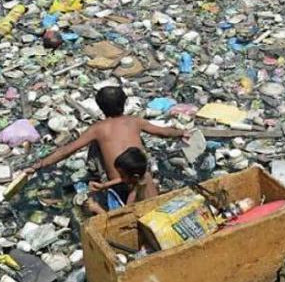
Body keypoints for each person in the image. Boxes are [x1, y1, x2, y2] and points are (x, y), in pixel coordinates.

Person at [24, 86, 187, 201]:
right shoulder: (134, 121)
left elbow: (67, 150)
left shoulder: (98, 128)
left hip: (120, 184)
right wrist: (181, 133)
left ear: (100, 107)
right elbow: (162, 132)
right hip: (138, 176)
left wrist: (38, 165)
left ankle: (100, 175)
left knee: (95, 146)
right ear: (124, 103)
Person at [85, 147, 151, 214]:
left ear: (135, 177)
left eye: (122, 176)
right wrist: (103, 185)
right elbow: (122, 180)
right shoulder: (142, 177)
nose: (120, 178)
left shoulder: (133, 196)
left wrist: (97, 209)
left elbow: (124, 219)